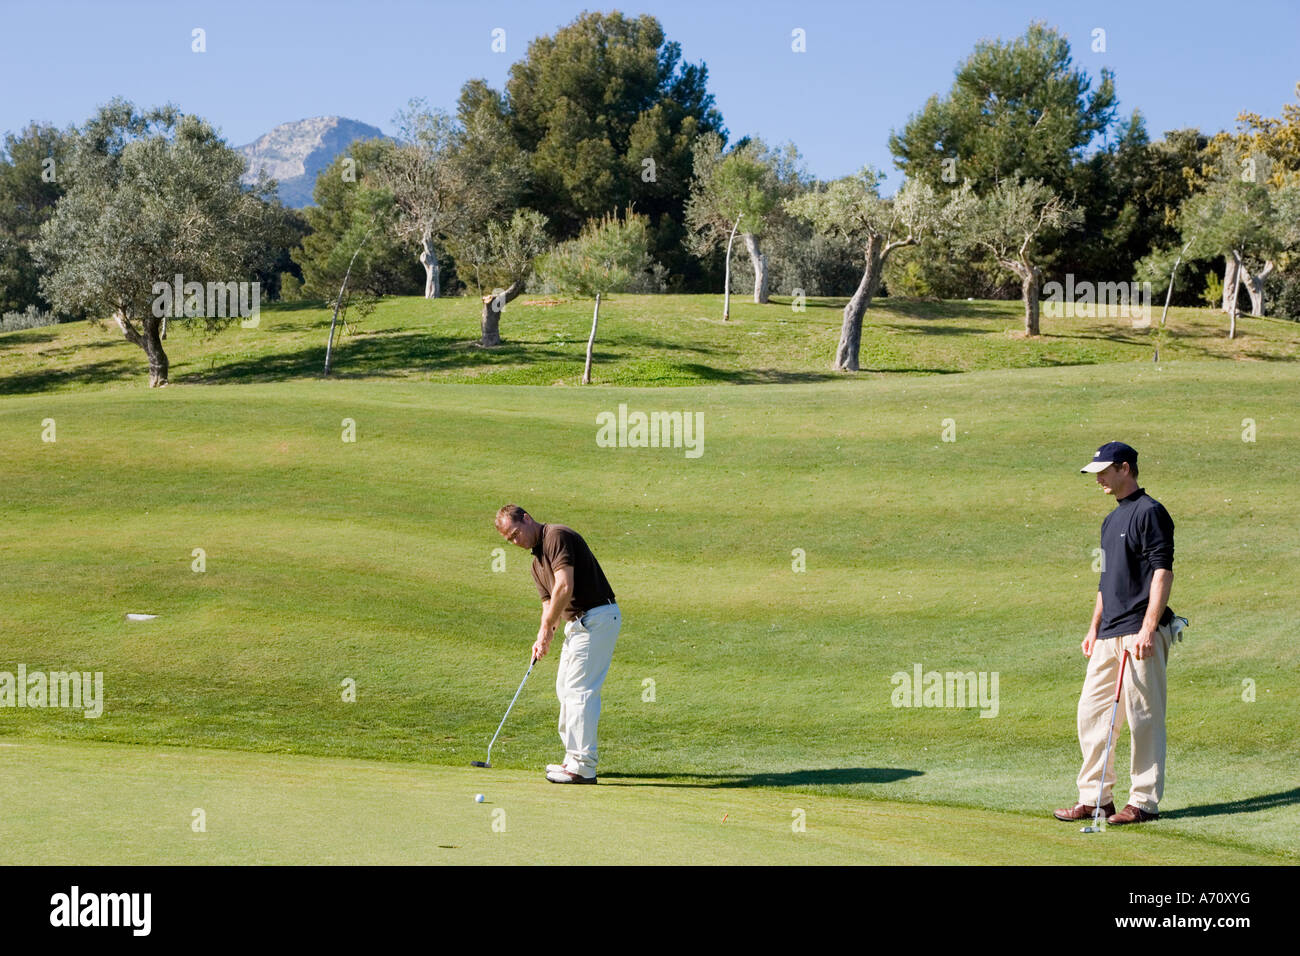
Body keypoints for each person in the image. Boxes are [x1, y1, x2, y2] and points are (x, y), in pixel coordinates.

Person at [1055, 441, 1181, 826]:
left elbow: (1163, 571)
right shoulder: (1111, 520)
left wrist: (1147, 627)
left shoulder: (1151, 512)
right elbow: (1105, 580)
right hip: (1109, 633)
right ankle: (1097, 799)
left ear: (1125, 468)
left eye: (1104, 471)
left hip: (1140, 631)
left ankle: (1143, 801)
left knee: (1143, 717)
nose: (1099, 479)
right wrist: (1093, 627)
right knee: (1091, 714)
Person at [495, 505, 620, 784]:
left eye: (516, 534)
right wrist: (543, 635)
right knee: (565, 688)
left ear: (527, 519)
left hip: (596, 617)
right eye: (510, 541)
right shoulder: (536, 564)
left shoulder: (556, 536)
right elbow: (549, 604)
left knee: (579, 691)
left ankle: (583, 767)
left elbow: (565, 586)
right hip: (578, 625)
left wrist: (549, 627)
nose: (517, 542)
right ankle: (572, 759)